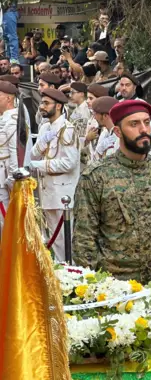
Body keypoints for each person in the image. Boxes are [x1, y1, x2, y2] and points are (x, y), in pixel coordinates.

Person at [73, 100, 151, 299]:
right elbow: (84, 238)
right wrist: (90, 288)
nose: (143, 129)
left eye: (146, 122)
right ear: (118, 132)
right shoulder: (96, 176)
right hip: (113, 289)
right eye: (134, 124)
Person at [30, 88, 79, 260]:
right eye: (42, 102)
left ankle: (69, 273)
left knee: (65, 239)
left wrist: (41, 165)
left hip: (62, 192)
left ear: (58, 106)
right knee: (53, 238)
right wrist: (42, 142)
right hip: (47, 191)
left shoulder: (68, 129)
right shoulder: (45, 128)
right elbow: (33, 154)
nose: (42, 107)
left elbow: (69, 163)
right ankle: (60, 274)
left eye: (46, 103)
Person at [0, 81, 18, 232]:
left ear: (8, 98)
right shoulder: (4, 118)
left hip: (4, 176)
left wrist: (12, 179)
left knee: (4, 219)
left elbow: (15, 152)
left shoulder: (12, 120)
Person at [90, 96, 119, 162]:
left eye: (95, 114)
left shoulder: (119, 137)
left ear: (105, 116)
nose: (94, 117)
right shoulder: (104, 133)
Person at [69, 82, 92, 150]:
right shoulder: (77, 108)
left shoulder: (86, 109)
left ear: (81, 94)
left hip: (83, 147)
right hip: (75, 143)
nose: (70, 95)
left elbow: (84, 132)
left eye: (73, 93)